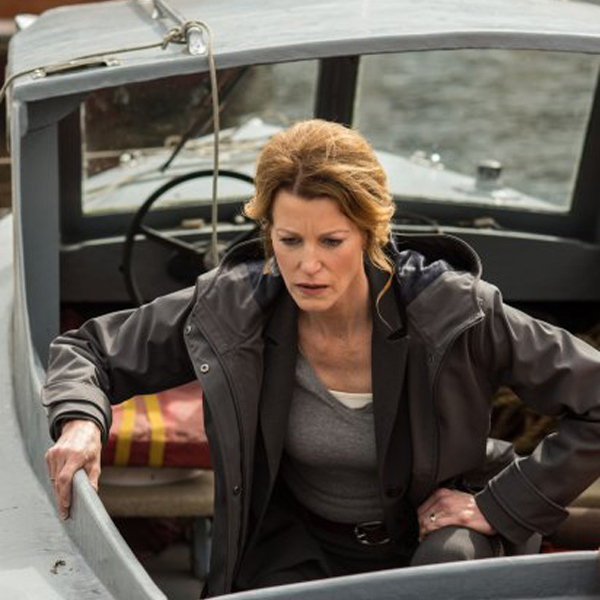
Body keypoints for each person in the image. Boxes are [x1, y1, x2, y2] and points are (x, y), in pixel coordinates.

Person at [43, 120, 600, 596]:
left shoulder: (454, 308)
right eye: (290, 241)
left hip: (438, 538)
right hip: (297, 545)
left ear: (369, 233)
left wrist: (501, 506)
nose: (307, 266)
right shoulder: (232, 304)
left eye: (331, 242)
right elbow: (88, 349)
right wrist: (81, 422)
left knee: (448, 570)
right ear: (269, 234)